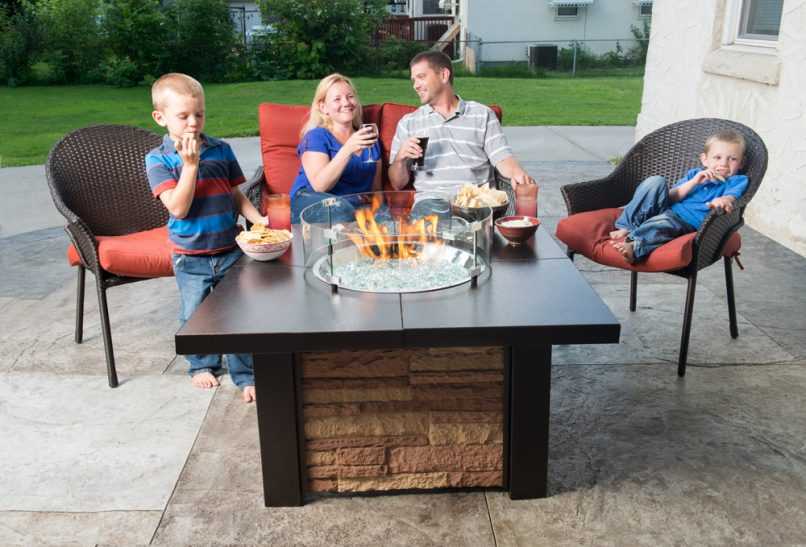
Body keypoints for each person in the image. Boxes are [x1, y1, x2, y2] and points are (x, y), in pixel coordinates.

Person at [145, 73, 267, 403]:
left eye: (199, 114)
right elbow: (179, 208)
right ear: (160, 117)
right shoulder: (158, 159)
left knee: (238, 312)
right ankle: (202, 364)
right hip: (190, 255)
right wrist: (190, 165)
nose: (193, 122)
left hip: (229, 248)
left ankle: (245, 374)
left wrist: (260, 220)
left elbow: (235, 193)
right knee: (195, 314)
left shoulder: (221, 149)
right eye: (183, 116)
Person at [388, 51, 536, 213]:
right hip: (432, 203)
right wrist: (400, 159)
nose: (415, 85)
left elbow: (502, 158)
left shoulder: (482, 114)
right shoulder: (409, 123)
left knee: (475, 225)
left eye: (421, 77)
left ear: (444, 75)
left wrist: (518, 174)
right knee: (434, 225)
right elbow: (397, 183)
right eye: (413, 80)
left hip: (476, 201)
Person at [609, 130, 749, 263]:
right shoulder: (695, 174)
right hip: (668, 208)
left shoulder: (737, 180)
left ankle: (634, 246)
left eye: (732, 159)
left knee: (661, 224)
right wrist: (694, 182)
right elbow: (671, 197)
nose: (724, 163)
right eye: (717, 157)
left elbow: (732, 196)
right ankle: (627, 226)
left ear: (741, 163)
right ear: (705, 159)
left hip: (684, 222)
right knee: (656, 181)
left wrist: (723, 200)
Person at [290, 73, 382, 223]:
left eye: (350, 96)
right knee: (341, 211)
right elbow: (320, 186)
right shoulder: (316, 137)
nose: (346, 103)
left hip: (353, 207)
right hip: (312, 202)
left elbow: (376, 191)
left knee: (387, 220)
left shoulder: (370, 138)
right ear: (323, 107)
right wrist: (348, 149)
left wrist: (380, 213)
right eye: (337, 99)